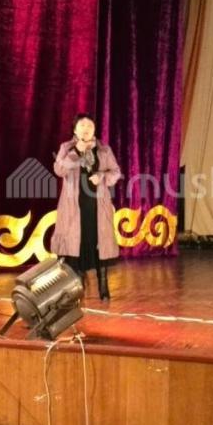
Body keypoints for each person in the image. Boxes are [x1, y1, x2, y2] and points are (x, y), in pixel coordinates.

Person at [50, 113, 122, 301]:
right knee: (77, 244)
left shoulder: (104, 149)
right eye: (82, 125)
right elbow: (59, 170)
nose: (86, 128)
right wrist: (76, 152)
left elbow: (115, 172)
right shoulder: (67, 148)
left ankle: (103, 285)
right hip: (74, 206)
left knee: (100, 244)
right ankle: (78, 286)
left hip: (97, 205)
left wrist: (102, 177)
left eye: (89, 125)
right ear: (75, 130)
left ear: (94, 129)